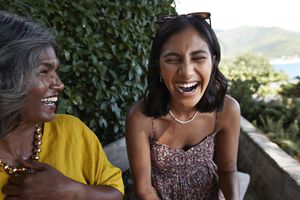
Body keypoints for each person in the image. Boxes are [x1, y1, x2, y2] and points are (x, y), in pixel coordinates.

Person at [0, 11, 123, 199]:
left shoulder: (73, 132)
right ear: (5, 77)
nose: (59, 84)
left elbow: (115, 193)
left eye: (55, 70)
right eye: (44, 71)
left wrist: (73, 191)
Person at [125, 12, 241, 200]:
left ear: (213, 61)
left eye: (198, 58)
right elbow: (144, 190)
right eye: (172, 59)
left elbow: (227, 170)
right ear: (158, 66)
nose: (186, 72)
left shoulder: (226, 110)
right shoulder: (141, 118)